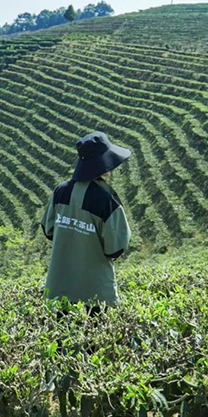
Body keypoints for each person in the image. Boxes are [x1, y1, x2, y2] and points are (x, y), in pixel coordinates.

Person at [40, 131, 132, 320]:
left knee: (62, 342)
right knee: (94, 344)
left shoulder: (60, 191)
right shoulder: (107, 201)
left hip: (60, 288)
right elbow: (115, 248)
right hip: (96, 293)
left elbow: (48, 230)